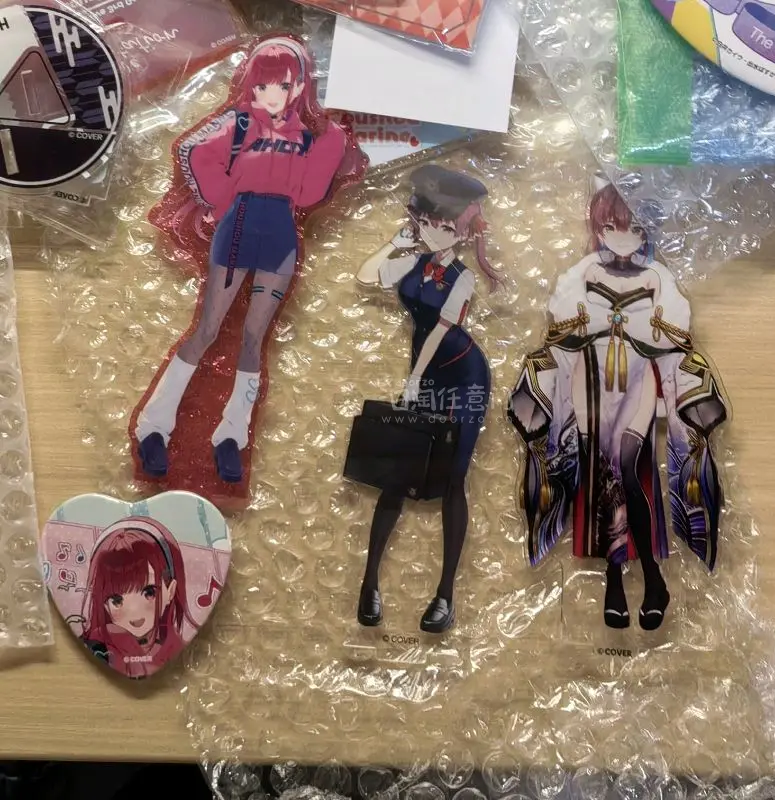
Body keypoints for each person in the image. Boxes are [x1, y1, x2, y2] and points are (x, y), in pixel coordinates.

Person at [133, 37, 361, 484]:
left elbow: (309, 194)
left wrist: (329, 141)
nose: (272, 95)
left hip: (279, 232)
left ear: (299, 88)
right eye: (263, 85)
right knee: (208, 328)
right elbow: (195, 152)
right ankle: (154, 426)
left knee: (255, 337)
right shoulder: (238, 123)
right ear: (251, 85)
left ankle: (232, 435)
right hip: (237, 227)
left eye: (283, 85)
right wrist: (224, 201)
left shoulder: (312, 135)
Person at [509, 178, 727, 631]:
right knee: (602, 472)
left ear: (646, 231)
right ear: (598, 228)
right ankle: (616, 581)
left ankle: (651, 577)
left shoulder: (657, 276)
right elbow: (562, 333)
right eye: (611, 226)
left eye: (633, 228)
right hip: (590, 378)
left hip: (639, 379)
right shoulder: (584, 272)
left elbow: (674, 340)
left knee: (626, 466)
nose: (623, 237)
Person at [354, 165, 500, 633]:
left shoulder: (462, 277)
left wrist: (415, 379)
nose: (434, 232)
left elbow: (440, 329)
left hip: (462, 375)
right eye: (427, 222)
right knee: (397, 473)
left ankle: (445, 595)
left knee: (453, 478)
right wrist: (395, 242)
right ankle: (369, 584)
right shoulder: (414, 262)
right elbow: (367, 275)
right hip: (425, 370)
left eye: (446, 227)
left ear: (462, 232)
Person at [81, 517, 196, 678]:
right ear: (104, 604)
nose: (134, 611)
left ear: (170, 591)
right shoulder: (98, 645)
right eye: (117, 600)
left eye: (149, 592)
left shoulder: (177, 648)